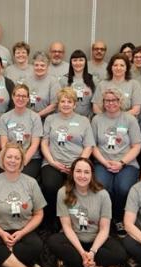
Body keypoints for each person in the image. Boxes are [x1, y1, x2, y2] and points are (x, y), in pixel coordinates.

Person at [47, 158, 127, 267]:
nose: (82, 176)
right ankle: (95, 266)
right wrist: (82, 252)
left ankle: (78, 264)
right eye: (78, 171)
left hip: (96, 240)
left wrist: (92, 252)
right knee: (53, 242)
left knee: (120, 254)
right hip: (74, 240)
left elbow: (104, 229)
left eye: (86, 172)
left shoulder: (103, 195)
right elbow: (67, 227)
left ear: (92, 175)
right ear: (72, 173)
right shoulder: (63, 192)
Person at [0, 142, 47, 267]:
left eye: (17, 158)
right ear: (3, 158)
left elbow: (39, 214)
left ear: (22, 161)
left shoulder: (31, 183)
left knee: (36, 245)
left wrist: (22, 233)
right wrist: (1, 233)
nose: (13, 161)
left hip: (24, 231)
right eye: (9, 157)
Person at [41, 87, 95, 229]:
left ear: (75, 104)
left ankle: (72, 221)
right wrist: (52, 162)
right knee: (50, 186)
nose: (65, 104)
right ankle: (51, 219)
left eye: (69, 101)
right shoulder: (50, 119)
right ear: (58, 104)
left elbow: (89, 146)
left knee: (73, 188)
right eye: (62, 101)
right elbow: (44, 143)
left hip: (76, 165)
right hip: (53, 162)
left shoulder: (83, 121)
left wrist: (77, 165)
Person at [91, 88, 141, 237]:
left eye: (114, 100)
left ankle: (119, 218)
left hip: (126, 163)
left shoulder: (129, 119)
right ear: (103, 102)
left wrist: (122, 162)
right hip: (103, 161)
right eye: (107, 100)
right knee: (102, 187)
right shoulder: (97, 120)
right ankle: (104, 219)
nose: (111, 103)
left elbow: (137, 146)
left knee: (123, 188)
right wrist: (104, 162)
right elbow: (92, 145)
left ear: (120, 102)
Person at [0, 84, 43, 179]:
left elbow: (35, 144)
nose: (20, 99)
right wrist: (10, 161)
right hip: (10, 158)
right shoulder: (4, 118)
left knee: (24, 177)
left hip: (30, 158)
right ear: (13, 97)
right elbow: (4, 144)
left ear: (28, 99)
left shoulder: (35, 117)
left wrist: (21, 163)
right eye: (18, 95)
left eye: (24, 96)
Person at [25, 51, 61, 118]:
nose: (39, 68)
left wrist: (37, 116)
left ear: (47, 66)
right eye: (36, 65)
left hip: (47, 119)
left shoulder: (53, 81)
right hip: (29, 118)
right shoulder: (27, 81)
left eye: (42, 65)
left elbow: (54, 105)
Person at [61, 49, 96, 118]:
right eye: (75, 60)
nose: (78, 63)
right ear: (71, 63)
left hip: (88, 120)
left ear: (85, 62)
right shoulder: (64, 80)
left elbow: (96, 103)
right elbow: (59, 102)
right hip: (68, 118)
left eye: (81, 60)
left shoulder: (93, 79)